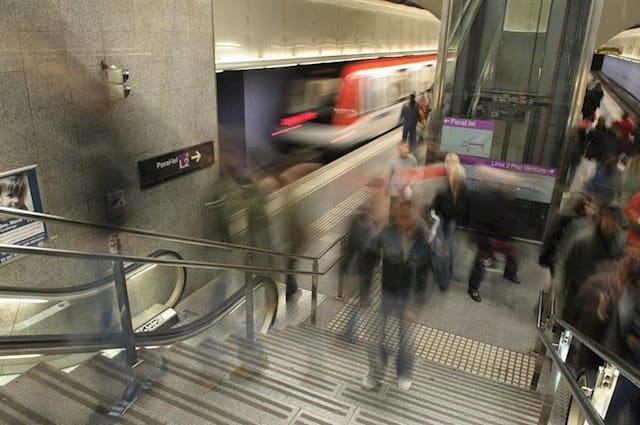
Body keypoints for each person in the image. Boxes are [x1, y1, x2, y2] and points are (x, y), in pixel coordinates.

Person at [362, 200, 430, 391]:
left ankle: (404, 372)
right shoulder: (386, 231)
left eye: (408, 217)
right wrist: (364, 289)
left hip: (407, 295)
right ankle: (375, 372)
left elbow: (425, 276)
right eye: (400, 216)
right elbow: (369, 255)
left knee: (406, 338)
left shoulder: (424, 237)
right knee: (376, 336)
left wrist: (416, 306)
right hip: (386, 291)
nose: (403, 223)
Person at [555, 204, 626, 321]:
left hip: (603, 301)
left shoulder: (620, 244)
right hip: (577, 295)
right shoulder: (583, 240)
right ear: (602, 217)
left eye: (615, 220)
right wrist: (560, 288)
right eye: (610, 218)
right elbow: (566, 265)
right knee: (566, 331)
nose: (612, 223)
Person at [466, 187, 520, 303]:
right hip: (487, 238)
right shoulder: (487, 203)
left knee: (509, 256)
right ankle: (473, 288)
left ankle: (509, 273)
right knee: (481, 263)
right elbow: (479, 222)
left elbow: (508, 221)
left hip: (498, 237)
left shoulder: (503, 203)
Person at [339, 199, 380, 342]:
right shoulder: (372, 228)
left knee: (356, 300)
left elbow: (349, 245)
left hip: (353, 266)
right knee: (361, 301)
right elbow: (375, 251)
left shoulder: (354, 222)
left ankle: (349, 331)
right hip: (365, 269)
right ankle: (349, 332)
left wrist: (345, 265)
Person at [430, 155, 467, 288]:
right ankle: (441, 275)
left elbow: (463, 203)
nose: (450, 166)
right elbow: (436, 199)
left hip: (452, 218)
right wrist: (433, 211)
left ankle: (448, 269)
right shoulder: (443, 181)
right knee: (439, 246)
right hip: (441, 217)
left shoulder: (461, 184)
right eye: (449, 163)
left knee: (449, 246)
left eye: (453, 163)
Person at [539, 195, 593, 277]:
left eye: (588, 205)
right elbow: (555, 235)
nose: (588, 208)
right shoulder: (570, 217)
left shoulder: (579, 218)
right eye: (586, 205)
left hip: (564, 257)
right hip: (560, 256)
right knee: (558, 280)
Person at [386, 140, 418, 220]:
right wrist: (387, 188)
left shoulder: (413, 160)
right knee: (393, 214)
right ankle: (392, 226)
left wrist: (412, 182)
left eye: (407, 148)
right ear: (399, 150)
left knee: (405, 214)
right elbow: (388, 175)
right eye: (404, 148)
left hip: (407, 192)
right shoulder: (393, 160)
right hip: (395, 192)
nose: (406, 150)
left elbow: (415, 174)